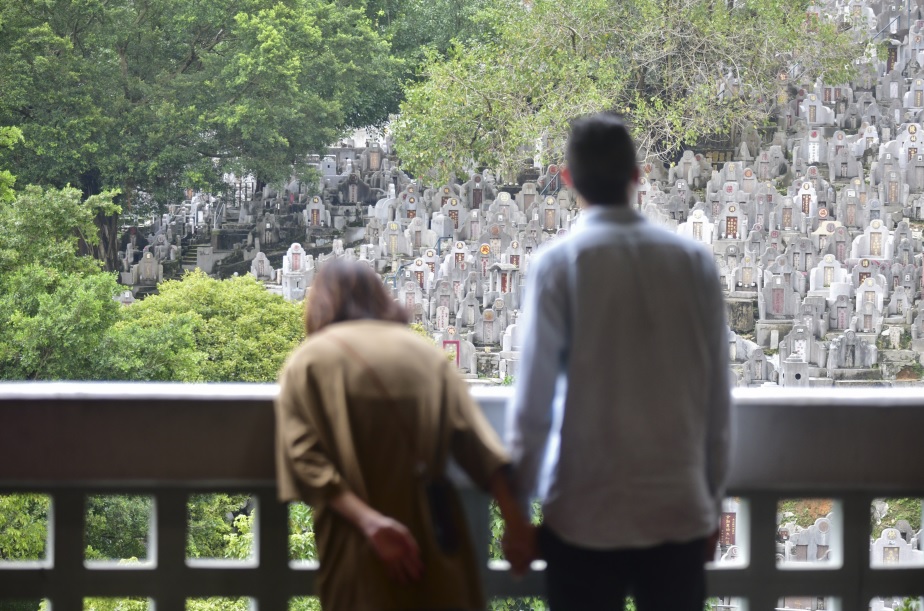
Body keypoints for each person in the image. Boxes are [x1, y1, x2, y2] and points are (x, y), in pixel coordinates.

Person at [505, 112, 732, 610]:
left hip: (585, 514)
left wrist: (519, 514)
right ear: (638, 174)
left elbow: (533, 408)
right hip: (678, 512)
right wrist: (712, 502)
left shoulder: (558, 264)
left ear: (567, 179)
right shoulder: (695, 262)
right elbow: (717, 400)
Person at [275, 260, 531, 610]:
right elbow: (482, 449)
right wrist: (516, 525)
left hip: (358, 545)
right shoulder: (427, 355)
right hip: (438, 539)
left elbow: (303, 459)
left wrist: (372, 523)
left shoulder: (307, 362)